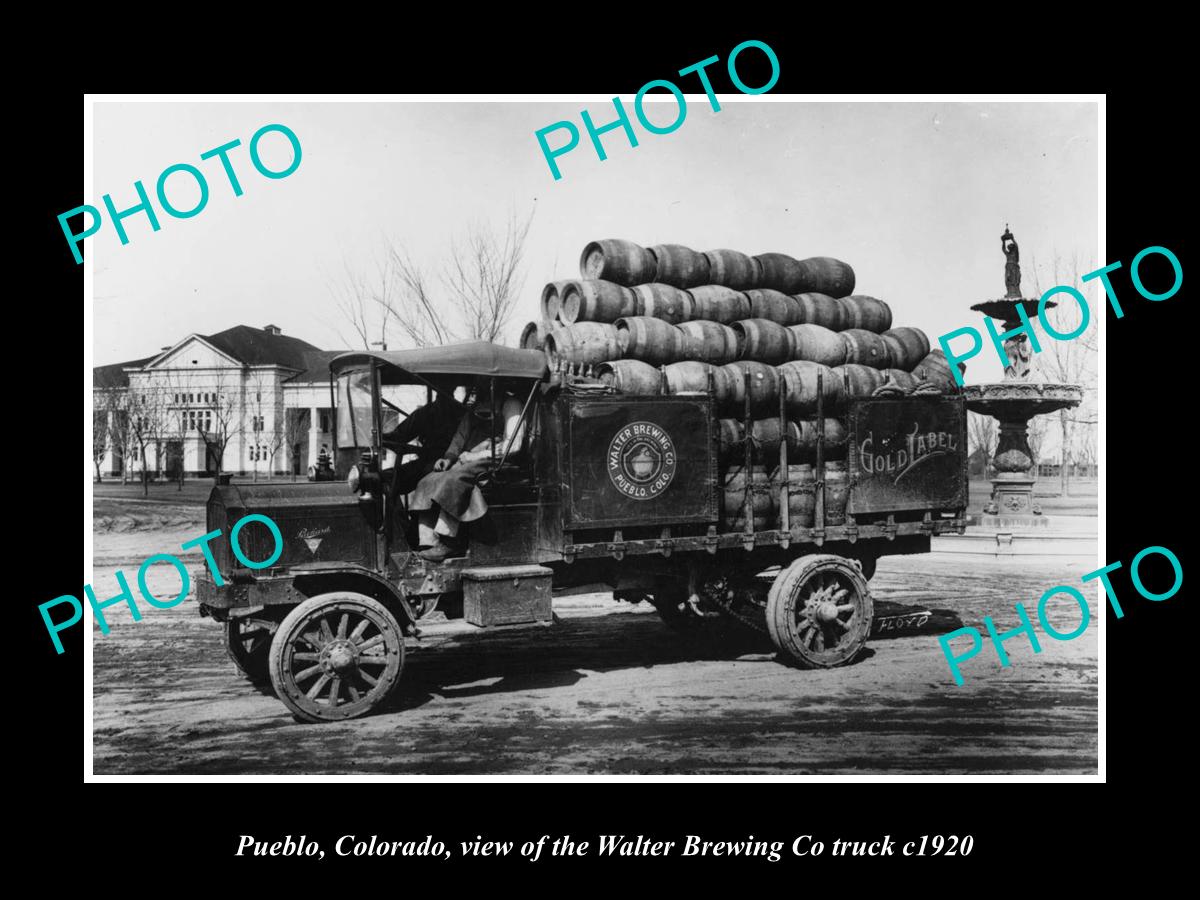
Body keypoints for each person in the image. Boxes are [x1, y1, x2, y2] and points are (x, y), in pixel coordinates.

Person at [409, 378, 526, 561]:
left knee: (453, 481)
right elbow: (460, 437)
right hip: (469, 460)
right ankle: (427, 540)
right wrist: (448, 458)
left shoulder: (510, 404)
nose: (478, 387)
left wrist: (476, 456)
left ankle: (448, 542)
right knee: (428, 480)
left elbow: (514, 445)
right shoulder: (476, 406)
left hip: (497, 462)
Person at [381, 377, 466, 496]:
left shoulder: (459, 414)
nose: (443, 386)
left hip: (442, 464)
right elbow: (399, 436)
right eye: (441, 382)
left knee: (388, 479)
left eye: (446, 382)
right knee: (387, 478)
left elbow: (398, 436)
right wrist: (381, 439)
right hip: (433, 461)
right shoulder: (429, 412)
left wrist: (383, 439)